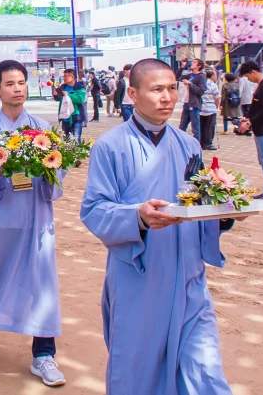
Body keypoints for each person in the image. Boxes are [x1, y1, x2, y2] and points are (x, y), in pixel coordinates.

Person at [80, 58, 240, 395]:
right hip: (139, 277)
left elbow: (199, 204)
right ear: (134, 95)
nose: (167, 97)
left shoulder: (188, 144)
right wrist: (137, 216)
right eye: (156, 90)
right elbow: (95, 210)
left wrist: (225, 210)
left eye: (171, 88)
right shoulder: (111, 146)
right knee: (137, 374)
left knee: (205, 372)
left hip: (188, 278)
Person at [0, 60, 67, 387]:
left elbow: (58, 170)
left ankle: (43, 355)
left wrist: (48, 170)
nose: (18, 88)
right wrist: (1, 168)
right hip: (3, 216)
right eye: (10, 83)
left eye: (21, 82)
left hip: (38, 217)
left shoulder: (41, 127)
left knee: (42, 284)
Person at [238, 61, 263, 202]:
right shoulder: (261, 86)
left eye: (248, 76)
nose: (248, 79)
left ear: (253, 72)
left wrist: (250, 122)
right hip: (260, 128)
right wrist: (247, 118)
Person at [177, 58, 206, 145]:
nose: (192, 63)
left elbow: (201, 91)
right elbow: (177, 77)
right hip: (186, 104)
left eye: (194, 62)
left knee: (195, 128)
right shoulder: (189, 75)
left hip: (194, 105)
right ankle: (179, 144)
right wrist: (182, 67)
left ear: (199, 66)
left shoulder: (201, 76)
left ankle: (196, 146)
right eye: (192, 62)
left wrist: (190, 84)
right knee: (182, 127)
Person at [52, 68, 85, 140]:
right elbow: (58, 99)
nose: (64, 78)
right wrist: (55, 95)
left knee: (75, 140)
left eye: (66, 76)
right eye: (63, 76)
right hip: (65, 118)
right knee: (66, 141)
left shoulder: (79, 87)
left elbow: (80, 100)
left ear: (72, 77)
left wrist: (68, 95)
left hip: (76, 117)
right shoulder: (63, 87)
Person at [199, 68, 220, 151]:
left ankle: (201, 143)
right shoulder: (213, 85)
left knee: (202, 127)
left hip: (201, 109)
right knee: (209, 128)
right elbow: (217, 98)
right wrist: (217, 105)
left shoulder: (201, 84)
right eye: (215, 75)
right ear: (212, 76)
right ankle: (208, 143)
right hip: (210, 110)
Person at [236, 68, 256, 134]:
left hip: (245, 99)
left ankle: (247, 128)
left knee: (246, 114)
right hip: (252, 98)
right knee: (252, 113)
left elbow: (240, 90)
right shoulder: (253, 79)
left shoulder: (242, 80)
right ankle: (251, 127)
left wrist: (238, 98)